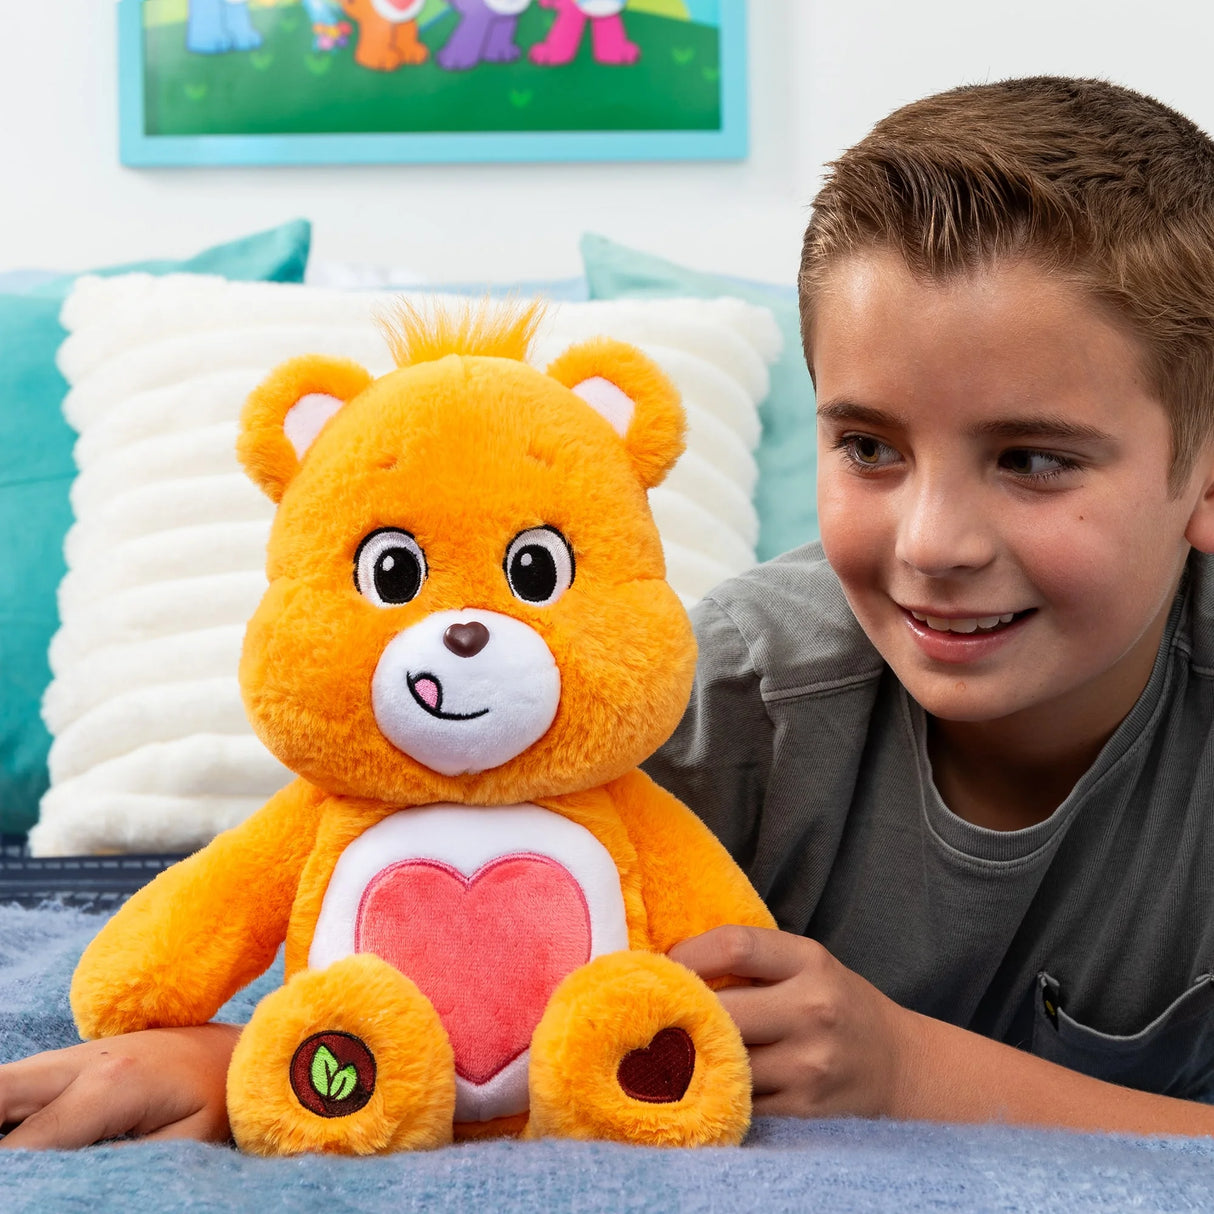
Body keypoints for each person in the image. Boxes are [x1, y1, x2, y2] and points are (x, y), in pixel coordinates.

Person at [5, 74, 1214, 1148]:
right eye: (867, 446)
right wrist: (221, 1061)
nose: (931, 543)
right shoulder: (721, 704)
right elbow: (459, 1019)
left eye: (1035, 460)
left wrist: (908, 1068)